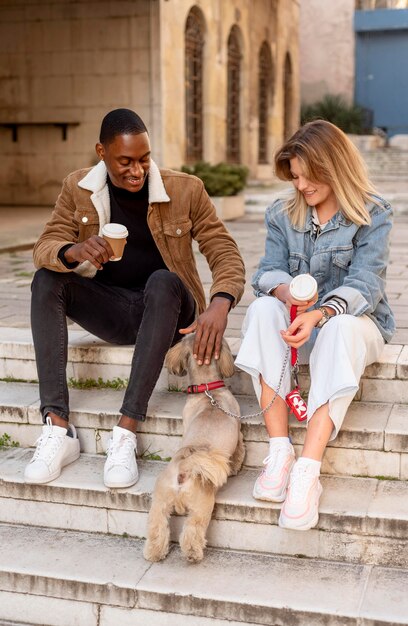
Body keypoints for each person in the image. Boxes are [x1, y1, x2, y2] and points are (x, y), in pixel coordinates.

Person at [25, 108, 245, 488]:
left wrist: (220, 303)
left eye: (144, 159)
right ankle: (57, 429)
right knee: (46, 280)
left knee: (162, 280)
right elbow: (45, 246)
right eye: (125, 161)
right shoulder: (77, 188)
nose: (137, 170)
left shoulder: (185, 189)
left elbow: (223, 249)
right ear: (102, 152)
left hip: (171, 309)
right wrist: (73, 252)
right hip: (116, 311)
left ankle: (126, 431)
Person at [235, 119, 395, 531]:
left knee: (340, 329)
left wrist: (320, 313)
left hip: (355, 326)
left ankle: (308, 469)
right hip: (300, 326)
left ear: (334, 165)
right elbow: (267, 272)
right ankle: (279, 450)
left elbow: (366, 284)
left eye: (309, 175)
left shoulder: (372, 212)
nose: (301, 185)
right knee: (262, 311)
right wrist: (286, 293)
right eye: (295, 176)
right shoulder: (281, 213)